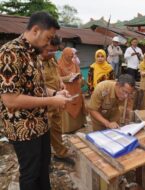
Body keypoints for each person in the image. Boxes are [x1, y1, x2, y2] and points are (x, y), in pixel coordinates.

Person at [0, 12, 71, 190]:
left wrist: (55, 94)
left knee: (43, 168)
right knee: (30, 174)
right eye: (48, 37)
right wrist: (51, 101)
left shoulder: (34, 54)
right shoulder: (10, 53)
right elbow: (11, 100)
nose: (49, 43)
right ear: (36, 30)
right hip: (23, 128)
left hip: (41, 124)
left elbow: (36, 88)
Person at [39, 36, 74, 165]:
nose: (52, 53)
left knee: (56, 128)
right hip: (43, 103)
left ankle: (60, 153)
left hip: (56, 100)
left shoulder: (51, 58)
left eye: (55, 51)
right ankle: (44, 162)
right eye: (50, 51)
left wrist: (60, 83)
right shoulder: (35, 62)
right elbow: (37, 86)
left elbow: (56, 72)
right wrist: (54, 94)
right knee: (44, 134)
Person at [58, 47, 87, 133]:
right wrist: (68, 78)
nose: (70, 59)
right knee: (67, 106)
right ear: (64, 56)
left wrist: (79, 78)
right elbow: (57, 78)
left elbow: (79, 74)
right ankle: (68, 129)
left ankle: (78, 125)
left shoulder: (74, 64)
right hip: (66, 89)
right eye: (69, 57)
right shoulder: (59, 64)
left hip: (76, 88)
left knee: (78, 104)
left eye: (72, 56)